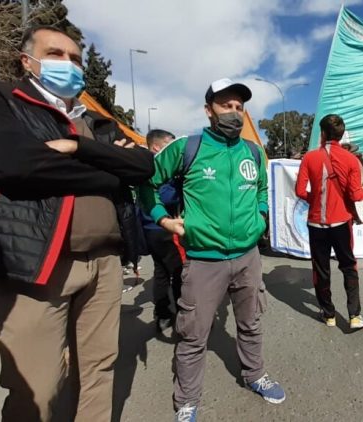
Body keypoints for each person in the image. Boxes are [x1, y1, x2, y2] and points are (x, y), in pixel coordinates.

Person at [0, 26, 154, 421]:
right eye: (56, 54)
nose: (70, 65)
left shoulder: (97, 123)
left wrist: (78, 147)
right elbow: (15, 166)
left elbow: (144, 166)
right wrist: (108, 169)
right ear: (27, 61)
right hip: (35, 264)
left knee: (99, 370)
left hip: (105, 262)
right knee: (37, 388)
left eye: (76, 58)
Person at [139, 78, 284, 421]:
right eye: (225, 105)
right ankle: (187, 400)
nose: (234, 112)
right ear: (208, 111)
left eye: (239, 107)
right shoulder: (185, 149)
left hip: (248, 257)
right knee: (193, 334)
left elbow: (262, 189)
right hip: (204, 262)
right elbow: (147, 185)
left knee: (250, 324)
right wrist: (163, 219)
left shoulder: (251, 151)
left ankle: (254, 375)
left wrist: (261, 217)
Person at [294, 114, 363, 329]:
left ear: (323, 133)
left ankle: (329, 315)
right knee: (348, 267)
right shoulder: (350, 160)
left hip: (316, 224)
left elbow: (300, 191)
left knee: (321, 270)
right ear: (340, 134)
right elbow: (356, 196)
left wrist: (316, 198)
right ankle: (354, 316)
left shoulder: (309, 157)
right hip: (341, 224)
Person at [141, 129, 184, 331]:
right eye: (170, 144)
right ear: (157, 147)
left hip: (152, 228)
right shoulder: (153, 167)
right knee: (178, 271)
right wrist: (180, 186)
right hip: (163, 227)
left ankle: (162, 313)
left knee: (161, 272)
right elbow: (166, 196)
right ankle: (181, 315)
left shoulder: (147, 164)